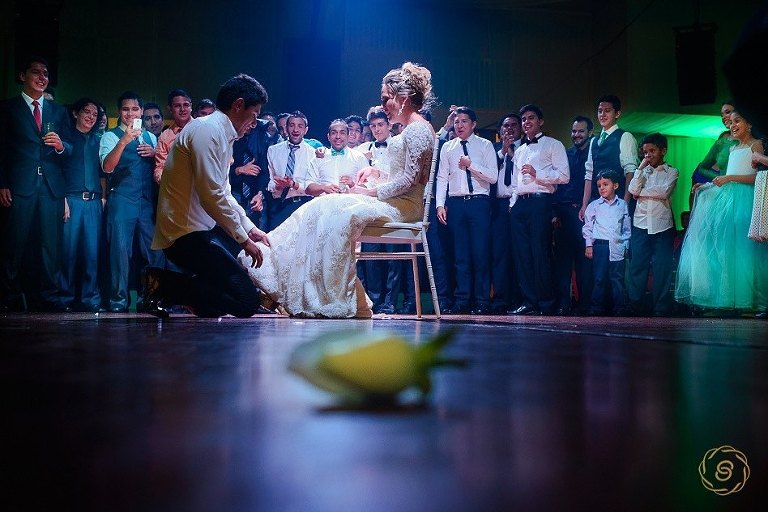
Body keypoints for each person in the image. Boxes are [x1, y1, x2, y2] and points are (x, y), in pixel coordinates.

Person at [240, 62, 436, 318]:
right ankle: (275, 264)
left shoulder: (419, 129)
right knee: (322, 204)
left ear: (404, 97)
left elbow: (410, 181)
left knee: (338, 212)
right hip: (395, 199)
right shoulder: (410, 129)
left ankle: (328, 293)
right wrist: (375, 175)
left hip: (405, 206)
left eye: (386, 99)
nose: (383, 105)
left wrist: (370, 192)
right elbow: (401, 175)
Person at [149, 73, 271, 318]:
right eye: (254, 114)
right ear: (238, 105)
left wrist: (249, 228)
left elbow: (223, 191)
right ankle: (162, 283)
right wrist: (243, 240)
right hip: (184, 233)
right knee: (246, 301)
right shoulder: (207, 131)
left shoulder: (222, 134)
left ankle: (190, 296)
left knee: (215, 304)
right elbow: (212, 195)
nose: (254, 122)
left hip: (200, 231)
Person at [675, 110, 768, 315]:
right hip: (729, 200)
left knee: (747, 250)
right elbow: (725, 179)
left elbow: (757, 178)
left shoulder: (756, 145)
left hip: (745, 199)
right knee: (730, 250)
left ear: (749, 124)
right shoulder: (734, 149)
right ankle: (732, 300)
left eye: (738, 121)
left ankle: (753, 301)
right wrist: (706, 186)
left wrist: (730, 178)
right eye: (731, 122)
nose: (732, 125)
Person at [0, 56, 72, 312]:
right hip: (20, 184)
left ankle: (49, 298)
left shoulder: (59, 111)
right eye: (36, 72)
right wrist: (3, 182)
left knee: (51, 246)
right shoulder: (8, 108)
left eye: (46, 73)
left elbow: (70, 149)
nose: (42, 77)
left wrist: (62, 146)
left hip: (51, 186)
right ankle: (8, 297)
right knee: (14, 244)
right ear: (22, 76)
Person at [99, 90, 164, 312]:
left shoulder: (151, 137)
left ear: (142, 111)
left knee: (154, 252)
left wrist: (154, 152)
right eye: (126, 109)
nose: (130, 113)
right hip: (122, 200)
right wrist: (124, 140)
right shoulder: (110, 136)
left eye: (135, 109)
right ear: (119, 112)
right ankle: (118, 301)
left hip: (145, 202)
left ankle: (153, 299)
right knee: (120, 252)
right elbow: (107, 167)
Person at [508, 104, 570, 315]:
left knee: (540, 253)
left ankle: (546, 302)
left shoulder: (554, 145)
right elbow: (515, 182)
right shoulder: (520, 149)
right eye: (523, 119)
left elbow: (564, 176)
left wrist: (538, 175)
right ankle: (529, 301)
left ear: (540, 121)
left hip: (540, 202)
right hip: (520, 205)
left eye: (531, 118)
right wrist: (512, 205)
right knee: (522, 255)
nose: (526, 122)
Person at [435, 106, 497, 314]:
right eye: (456, 121)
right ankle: (462, 299)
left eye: (464, 121)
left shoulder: (485, 145)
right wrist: (440, 204)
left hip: (479, 202)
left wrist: (471, 165)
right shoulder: (448, 148)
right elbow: (442, 177)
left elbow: (493, 177)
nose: (459, 125)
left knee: (480, 253)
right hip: (456, 203)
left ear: (473, 124)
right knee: (460, 255)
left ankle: (482, 300)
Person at [60, 98, 105, 313]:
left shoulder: (99, 140)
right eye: (86, 112)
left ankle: (90, 299)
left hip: (94, 201)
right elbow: (56, 171)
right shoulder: (65, 137)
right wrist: (62, 199)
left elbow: (104, 173)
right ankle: (65, 298)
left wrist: (103, 198)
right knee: (68, 253)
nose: (90, 117)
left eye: (95, 114)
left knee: (92, 254)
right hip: (72, 200)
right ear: (76, 113)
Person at [626, 133, 678, 316]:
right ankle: (635, 306)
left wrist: (642, 192)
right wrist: (640, 169)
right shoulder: (643, 171)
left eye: (652, 151)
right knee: (637, 266)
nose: (648, 155)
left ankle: (661, 308)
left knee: (662, 267)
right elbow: (632, 190)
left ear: (663, 151)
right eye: (645, 152)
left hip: (662, 226)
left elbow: (664, 192)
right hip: (640, 224)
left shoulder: (672, 171)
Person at [552, 115, 592, 315]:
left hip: (586, 214)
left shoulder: (596, 155)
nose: (576, 135)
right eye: (574, 131)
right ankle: (563, 304)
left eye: (581, 131)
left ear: (590, 133)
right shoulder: (565, 154)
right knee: (563, 263)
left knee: (585, 262)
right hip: (564, 212)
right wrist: (554, 213)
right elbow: (556, 185)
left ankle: (584, 304)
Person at [580, 95, 638, 220]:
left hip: (617, 200)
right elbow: (589, 174)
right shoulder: (594, 140)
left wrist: (625, 204)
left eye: (607, 111)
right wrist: (585, 205)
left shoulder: (624, 136)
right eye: (600, 111)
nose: (602, 115)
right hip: (596, 201)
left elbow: (630, 172)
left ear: (617, 113)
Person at [582, 170, 631, 316]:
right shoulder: (594, 205)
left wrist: (626, 245)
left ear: (615, 185)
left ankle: (619, 308)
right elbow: (588, 227)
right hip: (601, 246)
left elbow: (626, 228)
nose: (601, 188)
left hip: (617, 245)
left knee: (617, 279)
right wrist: (588, 245)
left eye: (605, 184)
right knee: (599, 278)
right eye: (599, 185)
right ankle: (597, 307)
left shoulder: (622, 205)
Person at [266, 111, 320, 230]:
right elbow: (269, 181)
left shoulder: (312, 154)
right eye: (292, 125)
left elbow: (314, 185)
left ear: (306, 130)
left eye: (300, 126)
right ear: (286, 128)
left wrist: (294, 185)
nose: (295, 129)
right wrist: (278, 186)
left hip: (303, 205)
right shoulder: (273, 151)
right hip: (278, 206)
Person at [490, 113, 522, 314]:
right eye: (505, 126)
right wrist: (502, 152)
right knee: (500, 255)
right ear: (499, 131)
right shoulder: (492, 151)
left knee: (519, 254)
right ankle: (501, 299)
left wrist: (512, 154)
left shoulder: (526, 149)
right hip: (499, 207)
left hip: (520, 204)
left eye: (513, 125)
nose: (509, 129)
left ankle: (520, 299)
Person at [154, 89, 193, 184]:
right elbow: (160, 167)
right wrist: (164, 178)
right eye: (177, 106)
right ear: (170, 109)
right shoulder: (165, 136)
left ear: (191, 107)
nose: (182, 109)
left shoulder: (203, 129)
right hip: (176, 189)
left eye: (186, 105)